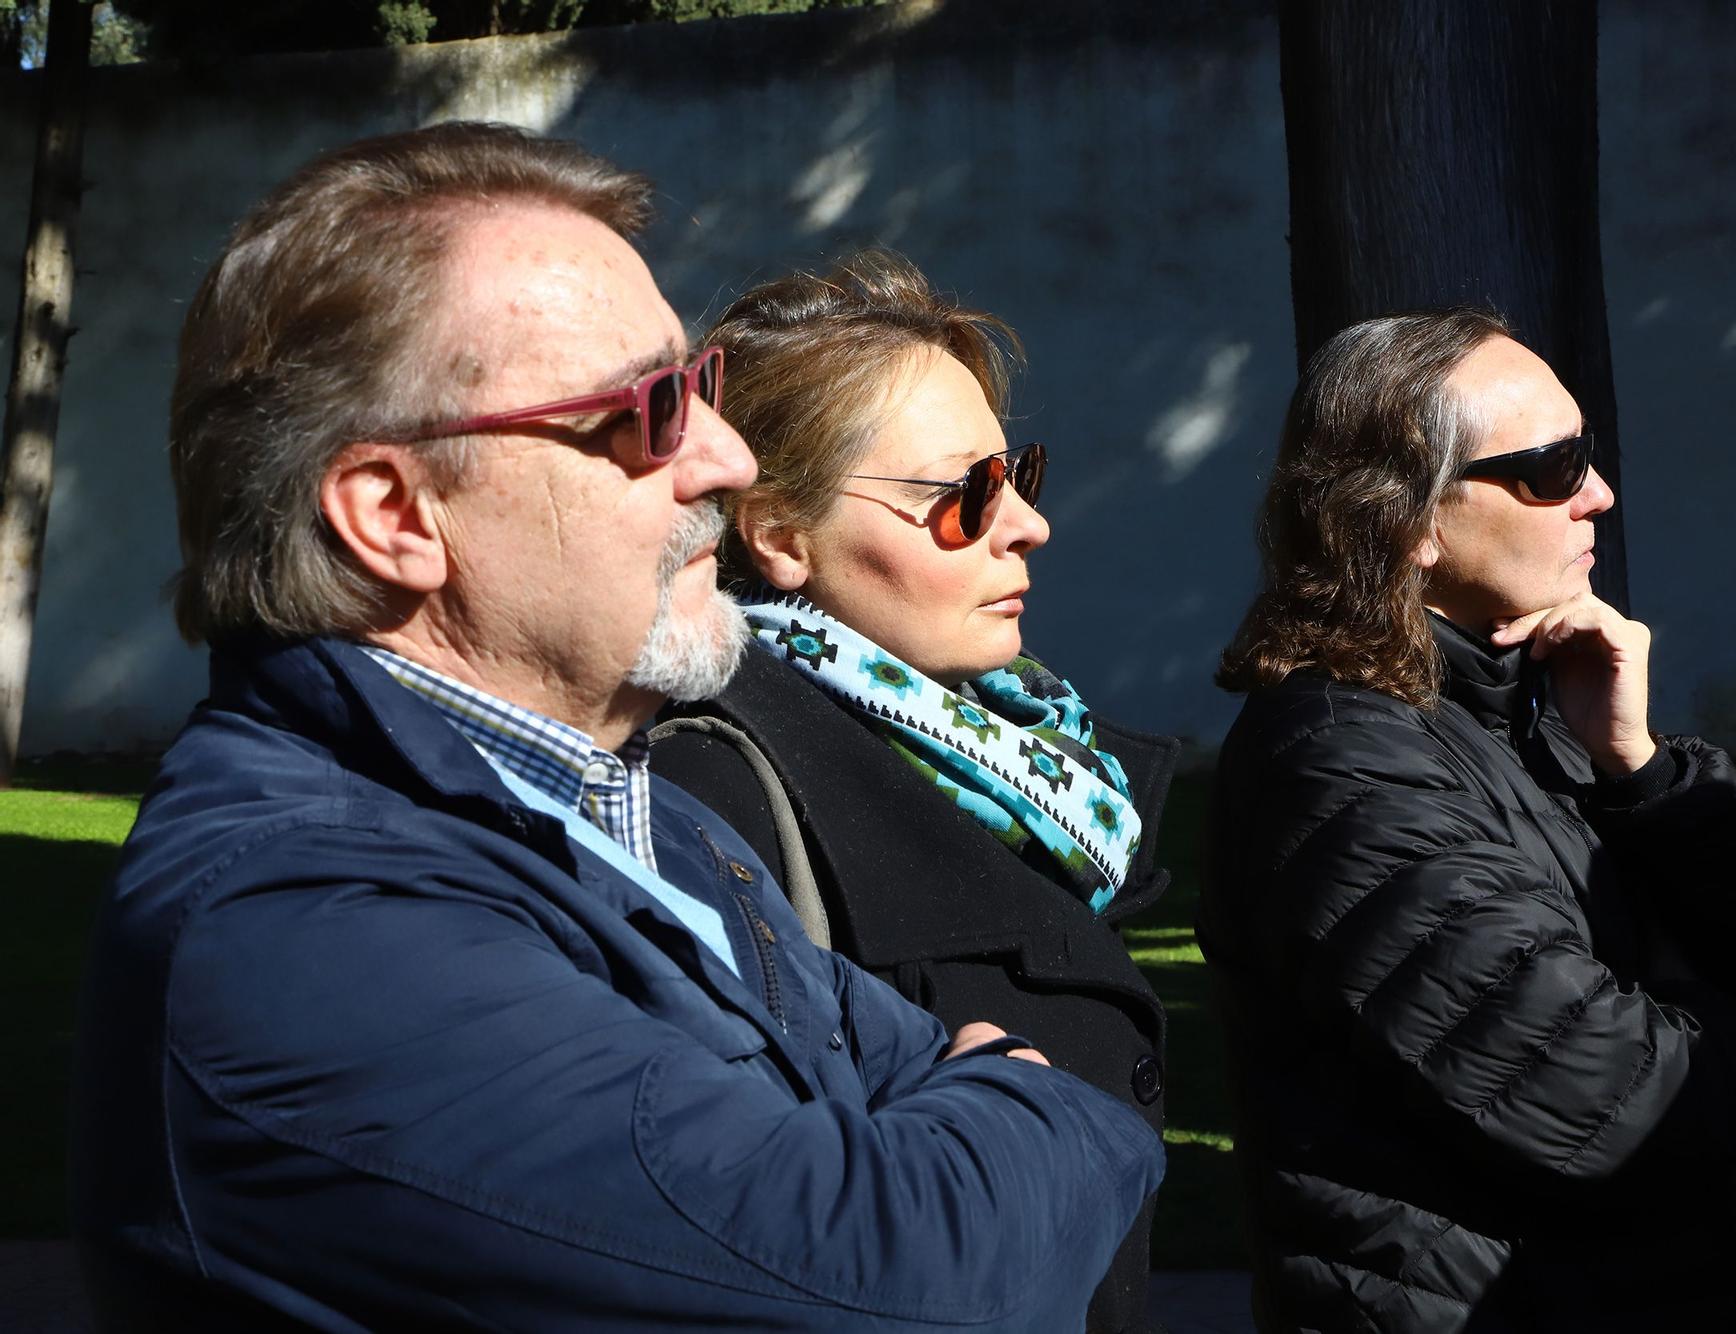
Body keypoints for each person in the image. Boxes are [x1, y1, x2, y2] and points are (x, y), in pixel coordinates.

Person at [68, 122, 1162, 1332]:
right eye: (650, 409)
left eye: (696, 389)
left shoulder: (629, 809)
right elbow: (918, 1284)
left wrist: (961, 1121)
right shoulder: (304, 926)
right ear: (394, 514)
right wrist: (1025, 1101)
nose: (728, 458)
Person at [1197, 308, 1736, 1334]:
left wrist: (1640, 767)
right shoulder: (1334, 764)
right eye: (1552, 466)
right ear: (1410, 520)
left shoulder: (1523, 717)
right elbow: (1612, 1098)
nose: (1599, 495)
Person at [647, 250, 1176, 1334]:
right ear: (782, 537)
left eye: (1016, 474)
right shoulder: (713, 789)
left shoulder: (1023, 764)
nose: (1025, 523)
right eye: (966, 494)